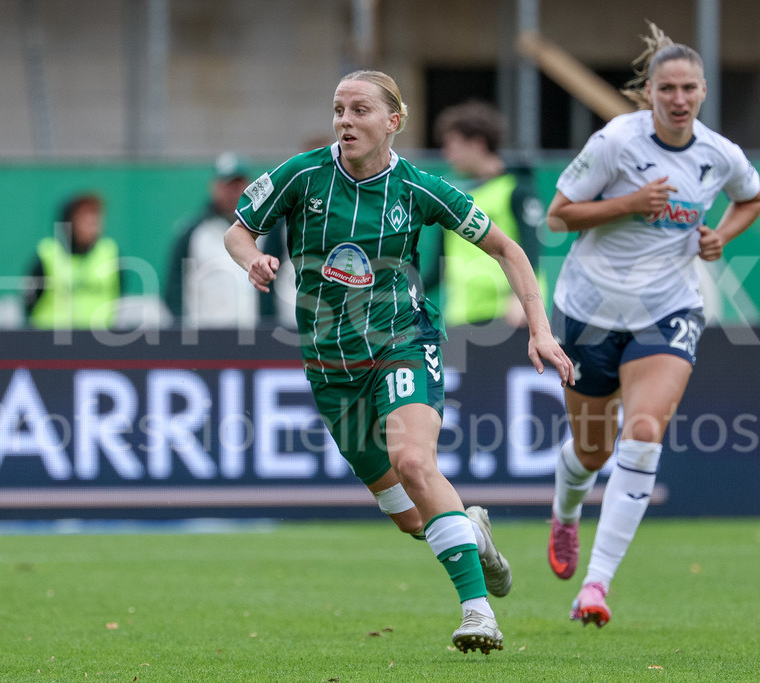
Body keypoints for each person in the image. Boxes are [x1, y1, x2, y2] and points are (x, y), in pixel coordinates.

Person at [224, 70, 574, 654]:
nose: (345, 120)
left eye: (360, 110)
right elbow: (238, 232)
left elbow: (507, 248)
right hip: (331, 367)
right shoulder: (301, 174)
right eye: (339, 109)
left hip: (403, 342)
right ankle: (473, 533)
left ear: (393, 121)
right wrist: (251, 259)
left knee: (413, 461)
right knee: (412, 519)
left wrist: (539, 327)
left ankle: (478, 613)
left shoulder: (417, 187)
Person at [544, 23, 760, 628]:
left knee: (643, 432)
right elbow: (559, 216)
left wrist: (721, 235)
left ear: (703, 91)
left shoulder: (719, 154)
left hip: (668, 311)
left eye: (689, 88)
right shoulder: (616, 142)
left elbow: (751, 198)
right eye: (667, 88)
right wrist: (629, 204)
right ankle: (565, 513)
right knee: (592, 450)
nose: (679, 98)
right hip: (590, 311)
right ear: (649, 93)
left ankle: (596, 585)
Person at [434, 100, 546, 327]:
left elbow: (531, 248)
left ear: (477, 144)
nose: (447, 154)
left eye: (453, 144)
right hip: (461, 315)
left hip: (507, 315)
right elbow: (437, 267)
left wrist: (524, 298)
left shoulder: (515, 189)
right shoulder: (452, 198)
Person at [165, 152, 283, 328]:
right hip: (207, 335)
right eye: (227, 185)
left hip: (257, 334)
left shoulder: (269, 230)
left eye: (238, 184)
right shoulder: (193, 233)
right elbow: (175, 288)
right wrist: (184, 331)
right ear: (214, 187)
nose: (233, 192)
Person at [24, 193, 123, 329]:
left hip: (99, 338)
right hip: (51, 337)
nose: (92, 225)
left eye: (95, 218)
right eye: (84, 218)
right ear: (69, 221)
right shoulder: (47, 255)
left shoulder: (111, 254)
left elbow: (119, 298)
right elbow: (29, 302)